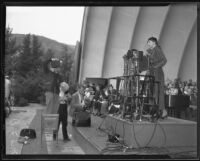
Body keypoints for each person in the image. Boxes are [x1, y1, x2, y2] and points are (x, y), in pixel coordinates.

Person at [143, 37, 167, 115]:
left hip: (157, 73)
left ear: (154, 42)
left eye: (149, 42)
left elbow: (164, 60)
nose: (148, 44)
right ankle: (154, 110)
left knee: (157, 91)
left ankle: (161, 111)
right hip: (152, 73)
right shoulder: (152, 51)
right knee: (153, 91)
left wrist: (156, 66)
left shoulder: (157, 49)